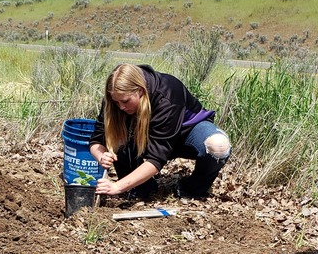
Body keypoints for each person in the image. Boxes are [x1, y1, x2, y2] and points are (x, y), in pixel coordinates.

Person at [90, 63, 231, 200]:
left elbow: (156, 158)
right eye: (116, 102)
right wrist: (101, 156)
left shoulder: (167, 95)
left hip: (185, 135)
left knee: (218, 146)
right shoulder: (116, 96)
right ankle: (142, 188)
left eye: (125, 101)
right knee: (118, 137)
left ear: (140, 91)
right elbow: (96, 140)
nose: (120, 107)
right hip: (150, 136)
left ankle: (190, 189)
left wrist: (117, 187)